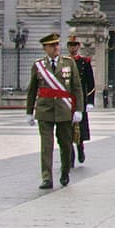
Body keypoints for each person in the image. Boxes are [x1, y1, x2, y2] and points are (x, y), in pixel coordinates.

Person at [24, 33, 83, 190]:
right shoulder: (38, 66)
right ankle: (47, 177)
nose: (56, 47)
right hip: (45, 110)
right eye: (52, 45)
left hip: (64, 109)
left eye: (57, 44)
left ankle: (65, 172)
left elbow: (77, 88)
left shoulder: (69, 63)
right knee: (46, 145)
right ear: (45, 48)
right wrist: (29, 111)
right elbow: (32, 90)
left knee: (65, 144)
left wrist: (79, 109)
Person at [67, 34, 96, 165]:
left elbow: (91, 82)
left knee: (80, 126)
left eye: (74, 45)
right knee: (66, 127)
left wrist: (90, 101)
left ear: (78, 46)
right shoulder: (64, 62)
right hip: (67, 99)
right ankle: (70, 153)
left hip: (81, 99)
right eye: (70, 45)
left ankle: (80, 147)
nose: (72, 48)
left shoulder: (84, 62)